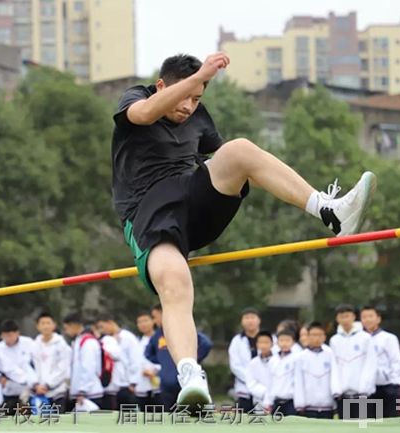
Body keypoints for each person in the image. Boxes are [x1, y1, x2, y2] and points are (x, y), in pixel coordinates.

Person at [111, 51, 376, 410]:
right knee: (175, 283)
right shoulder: (138, 98)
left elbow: (232, 164)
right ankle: (191, 376)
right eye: (184, 95)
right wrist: (200, 75)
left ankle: (328, 211)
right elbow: (143, 114)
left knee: (239, 151)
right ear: (161, 86)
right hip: (149, 213)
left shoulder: (198, 118)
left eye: (197, 98)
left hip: (193, 201)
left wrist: (232, 166)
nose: (189, 105)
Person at [145, 304, 212, 411]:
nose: (154, 321)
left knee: (191, 413)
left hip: (184, 382)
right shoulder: (157, 336)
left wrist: (191, 361)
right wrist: (165, 361)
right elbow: (148, 353)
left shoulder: (182, 331)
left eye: (155, 316)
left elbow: (206, 344)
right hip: (166, 384)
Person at [329, 304, 378, 420]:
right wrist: (336, 390)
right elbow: (334, 367)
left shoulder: (365, 338)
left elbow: (371, 364)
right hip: (343, 395)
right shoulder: (334, 340)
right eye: (341, 317)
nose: (345, 320)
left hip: (363, 394)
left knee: (364, 427)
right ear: (337, 319)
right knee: (346, 428)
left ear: (353, 317)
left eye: (347, 316)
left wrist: (364, 389)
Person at [360, 306, 400, 418]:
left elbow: (396, 362)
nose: (367, 320)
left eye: (371, 316)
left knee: (390, 424)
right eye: (364, 317)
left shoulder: (389, 338)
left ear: (378, 319)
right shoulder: (359, 339)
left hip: (387, 388)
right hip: (366, 389)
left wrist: (395, 385)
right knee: (368, 424)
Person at [294, 322, 340, 419]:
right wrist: (300, 404)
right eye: (314, 335)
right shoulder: (301, 357)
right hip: (309, 406)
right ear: (308, 337)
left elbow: (335, 376)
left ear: (324, 337)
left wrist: (336, 393)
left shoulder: (329, 354)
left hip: (327, 405)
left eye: (320, 335)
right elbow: (298, 382)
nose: (317, 338)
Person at [62, 313, 105, 410]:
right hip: (81, 394)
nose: (66, 331)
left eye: (66, 328)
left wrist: (83, 391)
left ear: (73, 325)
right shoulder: (78, 340)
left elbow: (88, 367)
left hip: (90, 394)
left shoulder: (88, 342)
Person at [96, 315, 141, 409]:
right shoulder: (106, 339)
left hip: (126, 383)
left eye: (102, 326)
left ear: (110, 323)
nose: (102, 330)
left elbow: (135, 360)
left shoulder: (127, 337)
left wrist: (133, 382)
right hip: (112, 384)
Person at [0, 319, 37, 414]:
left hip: (29, 388)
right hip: (9, 388)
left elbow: (36, 362)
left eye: (10, 335)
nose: (8, 339)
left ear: (17, 333)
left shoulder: (28, 343)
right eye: (5, 336)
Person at [32, 313, 72, 412]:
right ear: (38, 326)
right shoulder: (34, 345)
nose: (46, 326)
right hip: (39, 392)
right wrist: (36, 384)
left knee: (57, 423)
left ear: (54, 325)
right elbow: (30, 366)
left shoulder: (61, 345)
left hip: (57, 392)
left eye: (48, 323)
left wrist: (48, 385)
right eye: (43, 323)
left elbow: (63, 368)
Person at [228, 307, 261, 412]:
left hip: (265, 387)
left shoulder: (269, 339)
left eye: (252, 317)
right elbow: (235, 365)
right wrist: (250, 379)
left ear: (259, 320)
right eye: (246, 318)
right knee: (244, 417)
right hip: (244, 387)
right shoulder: (237, 341)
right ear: (242, 321)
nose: (250, 321)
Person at [264, 329, 298, 416]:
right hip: (276, 401)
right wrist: (267, 403)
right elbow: (269, 382)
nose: (284, 343)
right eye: (282, 340)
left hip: (291, 401)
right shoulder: (273, 360)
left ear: (293, 342)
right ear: (277, 343)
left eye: (287, 340)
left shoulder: (296, 359)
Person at [134, 311, 161, 410]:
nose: (142, 324)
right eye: (139, 322)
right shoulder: (138, 341)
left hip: (157, 382)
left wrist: (155, 370)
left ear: (153, 321)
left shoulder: (160, 339)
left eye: (145, 320)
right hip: (142, 384)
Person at [244, 331, 275, 410]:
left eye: (266, 342)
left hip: (276, 400)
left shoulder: (278, 361)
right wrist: (265, 393)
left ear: (272, 344)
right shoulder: (253, 363)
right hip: (259, 401)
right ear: (256, 344)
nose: (263, 345)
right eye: (261, 342)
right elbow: (251, 383)